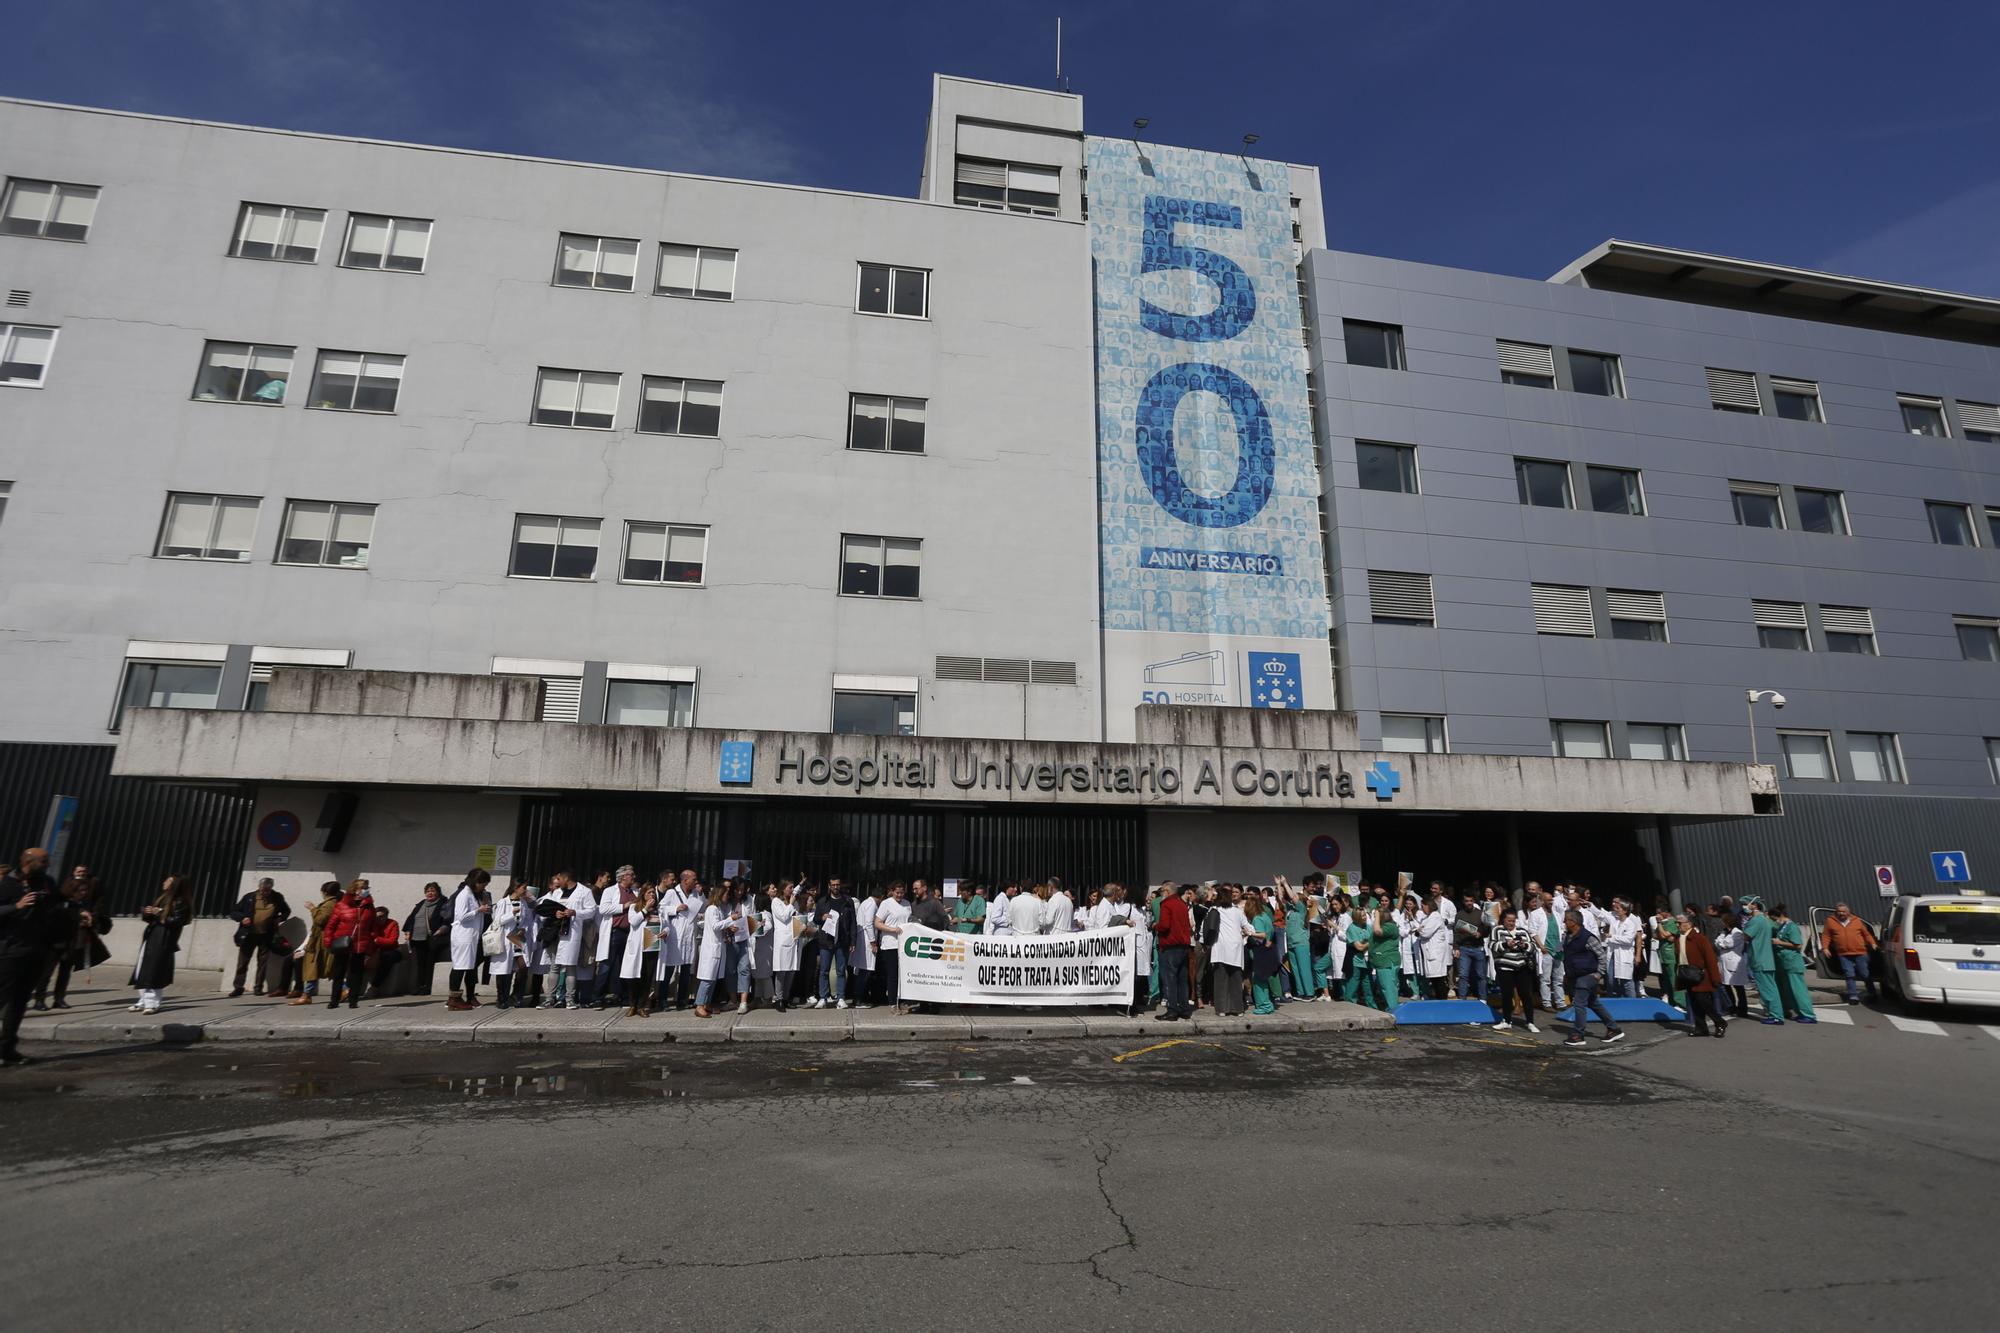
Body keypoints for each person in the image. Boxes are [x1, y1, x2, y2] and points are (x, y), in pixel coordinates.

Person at [1, 848, 61, 1066]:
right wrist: (16, 906)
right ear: (29, 861)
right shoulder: (7, 884)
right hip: (10, 951)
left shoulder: (46, 883)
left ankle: (7, 1049)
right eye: (44, 861)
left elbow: (55, 906)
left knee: (19, 1002)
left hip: (37, 951)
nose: (47, 864)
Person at [34, 872, 106, 1012]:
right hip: (55, 942)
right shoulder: (60, 902)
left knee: (65, 972)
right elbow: (57, 915)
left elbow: (94, 917)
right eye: (81, 890)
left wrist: (89, 921)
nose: (84, 893)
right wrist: (78, 914)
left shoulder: (83, 903)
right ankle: (39, 999)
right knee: (46, 973)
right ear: (73, 890)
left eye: (86, 890)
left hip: (73, 942)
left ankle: (59, 998)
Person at [1560, 909, 1625, 1048]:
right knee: (1593, 1003)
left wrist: (1599, 974)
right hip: (1574, 976)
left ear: (1574, 922)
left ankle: (1578, 1034)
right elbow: (1566, 956)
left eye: (1566, 920)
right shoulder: (1567, 937)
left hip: (1588, 975)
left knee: (1579, 1003)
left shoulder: (1588, 937)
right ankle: (1613, 1028)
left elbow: (1602, 956)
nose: (1564, 922)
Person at [229, 878, 291, 997]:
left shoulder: (277, 897)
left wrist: (280, 918)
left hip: (266, 935)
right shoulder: (249, 897)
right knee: (243, 962)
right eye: (263, 890)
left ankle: (258, 987)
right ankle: (238, 987)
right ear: (259, 887)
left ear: (271, 888)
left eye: (267, 890)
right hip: (248, 935)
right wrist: (242, 918)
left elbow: (286, 911)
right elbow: (234, 911)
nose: (265, 893)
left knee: (262, 962)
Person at [320, 879, 371, 1009]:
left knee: (356, 973)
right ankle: (334, 1000)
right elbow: (331, 925)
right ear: (355, 890)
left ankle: (353, 1000)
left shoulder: (369, 906)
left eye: (367, 888)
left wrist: (371, 941)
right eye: (363, 888)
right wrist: (328, 941)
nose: (366, 890)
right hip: (343, 943)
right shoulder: (342, 905)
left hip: (360, 944)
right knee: (338, 973)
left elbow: (373, 926)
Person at [1676, 909, 1727, 1038]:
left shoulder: (1699, 939)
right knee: (1694, 1001)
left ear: (1689, 924)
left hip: (1701, 976)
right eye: (1677, 923)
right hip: (1687, 975)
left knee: (1702, 1000)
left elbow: (1710, 959)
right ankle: (1701, 1028)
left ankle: (1719, 1022)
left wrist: (1715, 978)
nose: (1678, 925)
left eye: (1680, 923)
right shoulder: (1679, 938)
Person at [1488, 907, 1540, 1032]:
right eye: (1509, 921)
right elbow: (1492, 945)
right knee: (1507, 995)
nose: (1511, 923)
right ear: (1503, 920)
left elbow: (1532, 946)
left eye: (1513, 921)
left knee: (1526, 995)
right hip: (1505, 967)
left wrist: (1524, 945)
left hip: (1522, 967)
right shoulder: (1497, 930)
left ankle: (1530, 1022)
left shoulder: (1522, 931)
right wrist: (1506, 944)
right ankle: (1506, 1020)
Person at [444, 869, 488, 1010]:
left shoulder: (474, 895)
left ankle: (462, 997)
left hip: (471, 937)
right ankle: (454, 999)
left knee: (468, 967)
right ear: (476, 882)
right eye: (483, 884)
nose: (484, 887)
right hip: (463, 936)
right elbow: (461, 916)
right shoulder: (464, 895)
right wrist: (478, 911)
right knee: (460, 967)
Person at [1820, 902, 1880, 1004]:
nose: (1841, 913)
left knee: (1865, 974)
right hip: (1844, 954)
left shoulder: (1856, 921)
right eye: (1839, 911)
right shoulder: (1830, 921)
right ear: (1836, 912)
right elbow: (1826, 936)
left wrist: (1873, 944)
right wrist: (1825, 948)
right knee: (1849, 975)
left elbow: (1866, 934)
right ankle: (1853, 996)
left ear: (1848, 912)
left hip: (1860, 952)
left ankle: (1872, 993)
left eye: (1843, 911)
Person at [293, 881, 341, 1005]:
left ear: (324, 892)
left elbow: (320, 920)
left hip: (321, 942)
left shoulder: (329, 904)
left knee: (314, 967)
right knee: (323, 968)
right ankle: (345, 989)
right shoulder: (332, 903)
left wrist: (312, 908)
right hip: (319, 940)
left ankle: (307, 995)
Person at [1770, 904, 1818, 1024]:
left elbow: (1798, 945)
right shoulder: (1782, 927)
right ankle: (1799, 1012)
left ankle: (1809, 1015)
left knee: (1798, 990)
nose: (1774, 922)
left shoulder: (1791, 927)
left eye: (1773, 919)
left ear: (1779, 916)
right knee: (1789, 990)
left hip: (1793, 964)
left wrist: (1778, 942)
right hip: (1785, 963)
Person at [1154, 882, 1194, 1022]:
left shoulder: (1167, 904)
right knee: (1182, 979)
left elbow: (1164, 925)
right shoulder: (1182, 904)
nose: (1161, 894)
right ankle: (1184, 1008)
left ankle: (1172, 1010)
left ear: (1167, 891)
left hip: (1170, 946)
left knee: (1169, 979)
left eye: (1162, 891)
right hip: (1183, 946)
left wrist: (1155, 926)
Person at [1739, 900, 1784, 1024]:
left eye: (1746, 903)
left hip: (1760, 959)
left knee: (1767, 990)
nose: (1744, 906)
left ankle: (1776, 1016)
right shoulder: (1765, 920)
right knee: (1771, 988)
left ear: (1754, 905)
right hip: (1766, 959)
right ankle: (1776, 1013)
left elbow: (1746, 936)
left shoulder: (1756, 920)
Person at [403, 882, 451, 996]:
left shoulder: (443, 903)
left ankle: (428, 987)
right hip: (417, 938)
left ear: (438, 893)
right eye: (428, 891)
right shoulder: (421, 904)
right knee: (419, 964)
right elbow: (411, 919)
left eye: (433, 891)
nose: (430, 893)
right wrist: (408, 931)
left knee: (429, 963)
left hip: (432, 938)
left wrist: (441, 930)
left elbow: (447, 920)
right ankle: (419, 986)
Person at [1209, 886, 1249, 1016]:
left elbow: (1208, 927)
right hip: (1236, 948)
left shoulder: (1214, 910)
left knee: (1221, 980)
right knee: (1236, 979)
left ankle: (1221, 1009)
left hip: (1220, 948)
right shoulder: (1237, 911)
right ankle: (1238, 1009)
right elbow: (1247, 925)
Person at [490, 881, 529, 1010]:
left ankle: (516, 996)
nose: (525, 890)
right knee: (504, 971)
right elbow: (498, 921)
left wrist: (523, 929)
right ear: (515, 888)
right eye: (524, 888)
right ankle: (502, 999)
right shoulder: (503, 903)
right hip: (506, 940)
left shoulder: (523, 903)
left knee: (523, 967)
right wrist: (512, 913)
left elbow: (525, 920)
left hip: (517, 940)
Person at [875, 881, 911, 1013]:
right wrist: (892, 929)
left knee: (902, 975)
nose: (899, 895)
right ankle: (892, 1003)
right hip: (890, 944)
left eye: (902, 893)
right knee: (893, 975)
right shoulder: (886, 903)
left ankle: (901, 1001)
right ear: (892, 891)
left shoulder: (907, 904)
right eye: (897, 893)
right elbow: (877, 923)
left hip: (904, 945)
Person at [1245, 889, 1280, 1015]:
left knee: (1258, 981)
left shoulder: (1257, 919)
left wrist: (1249, 933)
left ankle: (1263, 1005)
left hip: (1261, 952)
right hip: (1269, 951)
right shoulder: (1265, 916)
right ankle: (1267, 1004)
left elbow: (1262, 935)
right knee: (1264, 980)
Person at [767, 882, 800, 1013]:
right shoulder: (776, 902)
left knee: (791, 971)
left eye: (793, 887)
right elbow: (784, 917)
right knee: (781, 971)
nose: (792, 890)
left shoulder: (793, 902)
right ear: (783, 889)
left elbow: (796, 918)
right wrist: (791, 904)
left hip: (793, 939)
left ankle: (786, 998)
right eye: (790, 888)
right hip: (782, 940)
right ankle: (779, 999)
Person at [1453, 892, 1490, 1003]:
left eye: (1471, 901)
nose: (1469, 903)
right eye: (1466, 901)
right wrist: (1456, 948)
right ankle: (1462, 999)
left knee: (1481, 975)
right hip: (1464, 948)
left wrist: (1480, 933)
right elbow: (1456, 933)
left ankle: (1483, 998)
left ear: (1474, 901)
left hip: (1478, 947)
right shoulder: (1459, 914)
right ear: (1463, 902)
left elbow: (1487, 930)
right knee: (1463, 975)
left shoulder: (1481, 913)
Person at [1364, 904, 1401, 1013]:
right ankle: (1389, 1008)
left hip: (1387, 962)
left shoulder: (1390, 926)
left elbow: (1377, 932)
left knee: (1388, 988)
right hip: (1381, 963)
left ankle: (1394, 1011)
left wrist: (1377, 916)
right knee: (1384, 988)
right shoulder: (1384, 926)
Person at [360, 903, 402, 997]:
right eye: (378, 917)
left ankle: (375, 987)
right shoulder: (371, 924)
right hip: (374, 951)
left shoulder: (393, 924)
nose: (380, 919)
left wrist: (377, 940)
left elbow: (392, 941)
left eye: (383, 916)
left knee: (388, 958)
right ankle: (351, 986)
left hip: (391, 950)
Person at [1714, 911, 1750, 1018]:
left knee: (1739, 987)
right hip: (1724, 962)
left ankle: (1743, 1009)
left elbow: (1727, 944)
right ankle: (1732, 1007)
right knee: (1726, 986)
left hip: (1734, 962)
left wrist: (1720, 943)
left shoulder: (1737, 933)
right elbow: (1717, 942)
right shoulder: (1724, 932)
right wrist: (1720, 942)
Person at [1415, 894, 1451, 999]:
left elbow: (1425, 932)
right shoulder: (1428, 918)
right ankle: (1439, 1001)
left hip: (1435, 953)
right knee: (1434, 980)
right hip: (1430, 952)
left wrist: (1419, 930)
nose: (1422, 909)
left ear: (1428, 905)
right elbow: (1421, 930)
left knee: (1439, 980)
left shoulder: (1435, 916)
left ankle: (1442, 1002)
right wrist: (1419, 930)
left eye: (1423, 906)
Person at [1649, 905, 1685, 1011]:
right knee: (1667, 981)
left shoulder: (1672, 923)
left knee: (1674, 980)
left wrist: (1660, 925)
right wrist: (1662, 932)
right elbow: (1656, 935)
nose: (1658, 915)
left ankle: (1681, 1003)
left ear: (1666, 912)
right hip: (1663, 955)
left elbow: (1665, 936)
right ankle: (1671, 1002)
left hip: (1671, 955)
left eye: (1660, 912)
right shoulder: (1664, 923)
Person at [1605, 900, 1642, 998]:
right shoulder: (1615, 922)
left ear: (1625, 910)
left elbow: (1628, 940)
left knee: (1626, 982)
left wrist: (1611, 937)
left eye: (1618, 908)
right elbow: (1602, 914)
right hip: (1612, 954)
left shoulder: (1631, 924)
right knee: (1610, 981)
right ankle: (1617, 1001)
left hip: (1624, 955)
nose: (1615, 910)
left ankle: (1632, 1003)